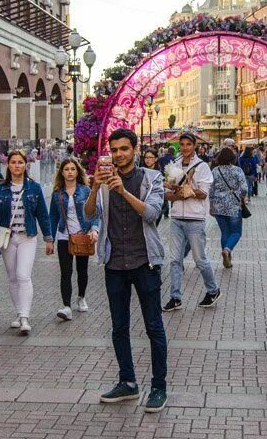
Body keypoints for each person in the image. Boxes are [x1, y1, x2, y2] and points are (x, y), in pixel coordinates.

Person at [86, 128, 168, 413]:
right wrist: (96, 187)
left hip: (145, 261)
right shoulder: (105, 180)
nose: (119, 154)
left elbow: (152, 214)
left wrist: (123, 191)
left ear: (134, 149)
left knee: (153, 326)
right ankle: (128, 382)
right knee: (119, 327)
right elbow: (88, 214)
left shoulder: (151, 178)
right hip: (115, 263)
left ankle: (159, 386)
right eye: (115, 150)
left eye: (124, 149)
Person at [0, 150, 54, 336]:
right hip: (7, 238)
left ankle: (25, 317)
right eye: (14, 162)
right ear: (8, 165)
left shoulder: (34, 188)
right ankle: (19, 311)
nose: (17, 166)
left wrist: (48, 238)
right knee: (13, 277)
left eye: (20, 162)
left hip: (27, 237)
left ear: (26, 165)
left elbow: (43, 214)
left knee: (23, 275)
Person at [163, 132, 220, 311]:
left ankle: (213, 290)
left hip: (195, 219)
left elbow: (204, 194)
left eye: (188, 144)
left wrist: (188, 190)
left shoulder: (202, 166)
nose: (185, 147)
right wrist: (176, 191)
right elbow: (169, 195)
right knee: (174, 260)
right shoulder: (175, 165)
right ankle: (175, 297)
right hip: (177, 218)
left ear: (194, 146)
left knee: (200, 259)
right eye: (182, 144)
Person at [50, 157, 98, 321]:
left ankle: (81, 297)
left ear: (78, 171)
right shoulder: (57, 192)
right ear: (62, 172)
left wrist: (94, 229)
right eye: (66, 169)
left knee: (82, 270)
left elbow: (94, 212)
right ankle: (66, 306)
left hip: (83, 234)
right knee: (66, 272)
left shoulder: (85, 190)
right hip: (64, 235)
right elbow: (53, 216)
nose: (69, 172)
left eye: (72, 169)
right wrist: (49, 239)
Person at [209, 146, 248, 269]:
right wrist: (241, 197)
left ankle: (227, 257)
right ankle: (227, 250)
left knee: (225, 232)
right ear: (232, 158)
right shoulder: (237, 170)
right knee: (236, 232)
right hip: (233, 205)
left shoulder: (215, 171)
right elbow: (244, 189)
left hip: (218, 205)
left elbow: (210, 189)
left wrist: (211, 204)